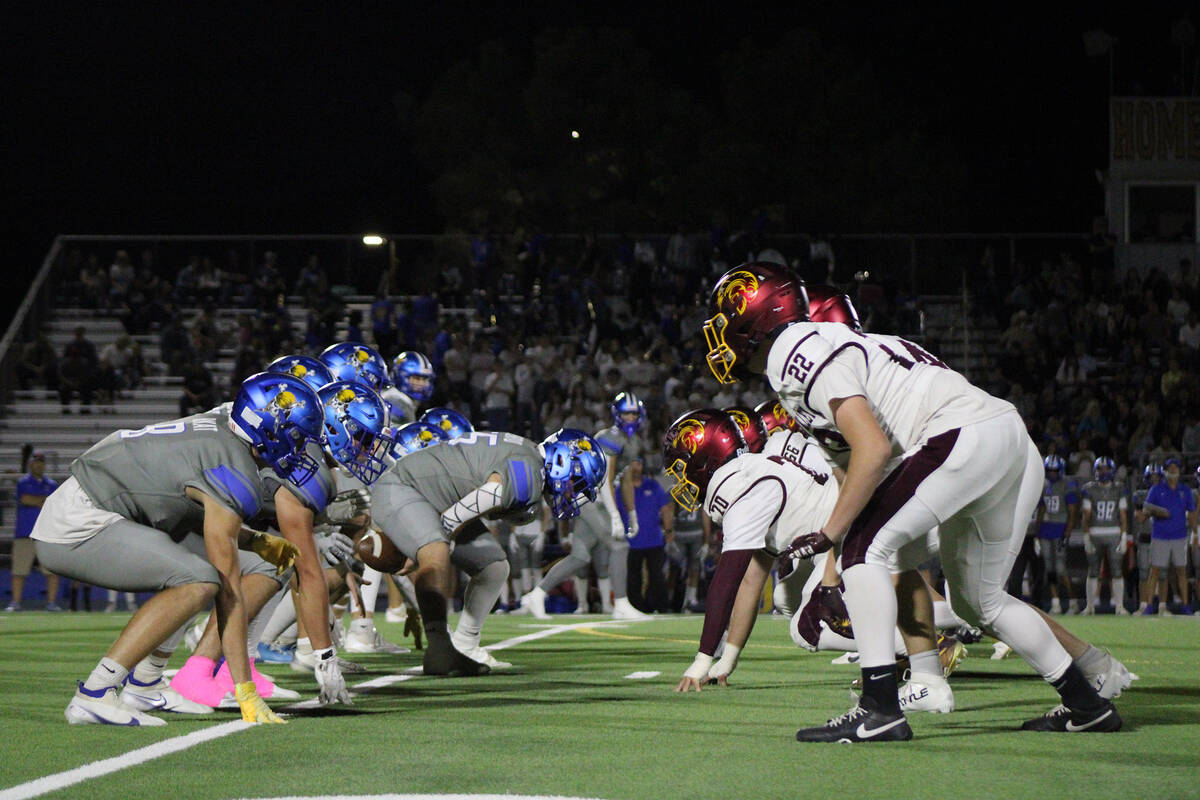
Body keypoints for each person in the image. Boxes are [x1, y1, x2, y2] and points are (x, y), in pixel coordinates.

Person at [703, 263, 1119, 741]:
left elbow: (873, 449)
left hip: (959, 434)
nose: (720, 339)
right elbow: (849, 467)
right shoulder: (833, 349)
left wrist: (833, 535)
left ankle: (879, 707)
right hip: (1005, 439)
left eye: (723, 323)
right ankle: (1087, 703)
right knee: (978, 602)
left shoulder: (792, 350)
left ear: (755, 317)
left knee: (863, 548)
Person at [31, 373, 345, 726]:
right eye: (296, 439)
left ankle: (145, 684)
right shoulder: (234, 468)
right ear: (266, 430)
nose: (300, 451)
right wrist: (245, 688)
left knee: (262, 564)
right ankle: (96, 692)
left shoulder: (224, 430)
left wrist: (253, 541)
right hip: (81, 518)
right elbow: (228, 589)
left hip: (123, 509)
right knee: (199, 580)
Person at [373, 427, 606, 674]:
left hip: (435, 500)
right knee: (436, 554)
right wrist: (431, 542)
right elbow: (485, 496)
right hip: (405, 488)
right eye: (576, 483)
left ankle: (465, 645)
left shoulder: (528, 458)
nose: (573, 493)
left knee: (494, 566)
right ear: (561, 461)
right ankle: (439, 648)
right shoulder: (530, 471)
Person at [519, 392, 651, 620]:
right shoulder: (608, 437)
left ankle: (536, 595)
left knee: (580, 557)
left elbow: (626, 479)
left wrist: (632, 513)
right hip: (589, 500)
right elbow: (604, 481)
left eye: (634, 414)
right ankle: (620, 604)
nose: (630, 418)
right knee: (619, 547)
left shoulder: (634, 441)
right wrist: (614, 515)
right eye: (626, 414)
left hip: (597, 502)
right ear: (617, 415)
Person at [7, 450, 61, 611]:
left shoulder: (51, 484)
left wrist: (36, 500)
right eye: (36, 461)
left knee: (51, 571)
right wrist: (43, 500)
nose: (38, 464)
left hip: (46, 533)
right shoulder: (23, 482)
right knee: (19, 570)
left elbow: (53, 504)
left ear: (44, 465)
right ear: (31, 464)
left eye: (41, 462)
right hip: (25, 533)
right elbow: (25, 499)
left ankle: (51, 603)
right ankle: (16, 602)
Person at [1140, 457, 1195, 614]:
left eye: (1175, 467)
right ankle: (1149, 605)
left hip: (1180, 535)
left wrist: (1195, 533)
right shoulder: (1156, 489)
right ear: (1165, 470)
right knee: (1155, 571)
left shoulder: (1185, 490)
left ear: (1179, 470)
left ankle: (1185, 605)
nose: (1173, 470)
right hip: (1160, 535)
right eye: (1170, 467)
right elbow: (1146, 510)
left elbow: (1191, 513)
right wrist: (1159, 512)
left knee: (1181, 571)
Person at [1080, 457, 1130, 614]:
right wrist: (1086, 536)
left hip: (1114, 532)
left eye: (1106, 469)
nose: (1104, 472)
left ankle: (1120, 606)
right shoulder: (1089, 489)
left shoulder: (1119, 489)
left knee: (1116, 571)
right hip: (1095, 532)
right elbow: (1086, 515)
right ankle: (1089, 606)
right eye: (1100, 469)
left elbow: (1123, 515)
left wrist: (1123, 536)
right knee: (1093, 570)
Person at [620, 469, 674, 613]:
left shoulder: (653, 486)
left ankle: (661, 606)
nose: (636, 468)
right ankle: (635, 607)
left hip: (654, 539)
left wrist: (668, 530)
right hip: (631, 541)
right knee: (633, 577)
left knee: (657, 574)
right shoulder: (622, 490)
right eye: (633, 464)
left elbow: (665, 509)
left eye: (638, 464)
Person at [1040, 455, 1081, 614]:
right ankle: (1055, 601)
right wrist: (1037, 532)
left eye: (1054, 470)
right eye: (1049, 470)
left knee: (1061, 568)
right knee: (1049, 568)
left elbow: (1072, 510)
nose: (1051, 473)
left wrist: (1068, 531)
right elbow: (1042, 508)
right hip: (1045, 529)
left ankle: (1073, 601)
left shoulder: (1067, 484)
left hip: (1059, 529)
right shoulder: (1043, 484)